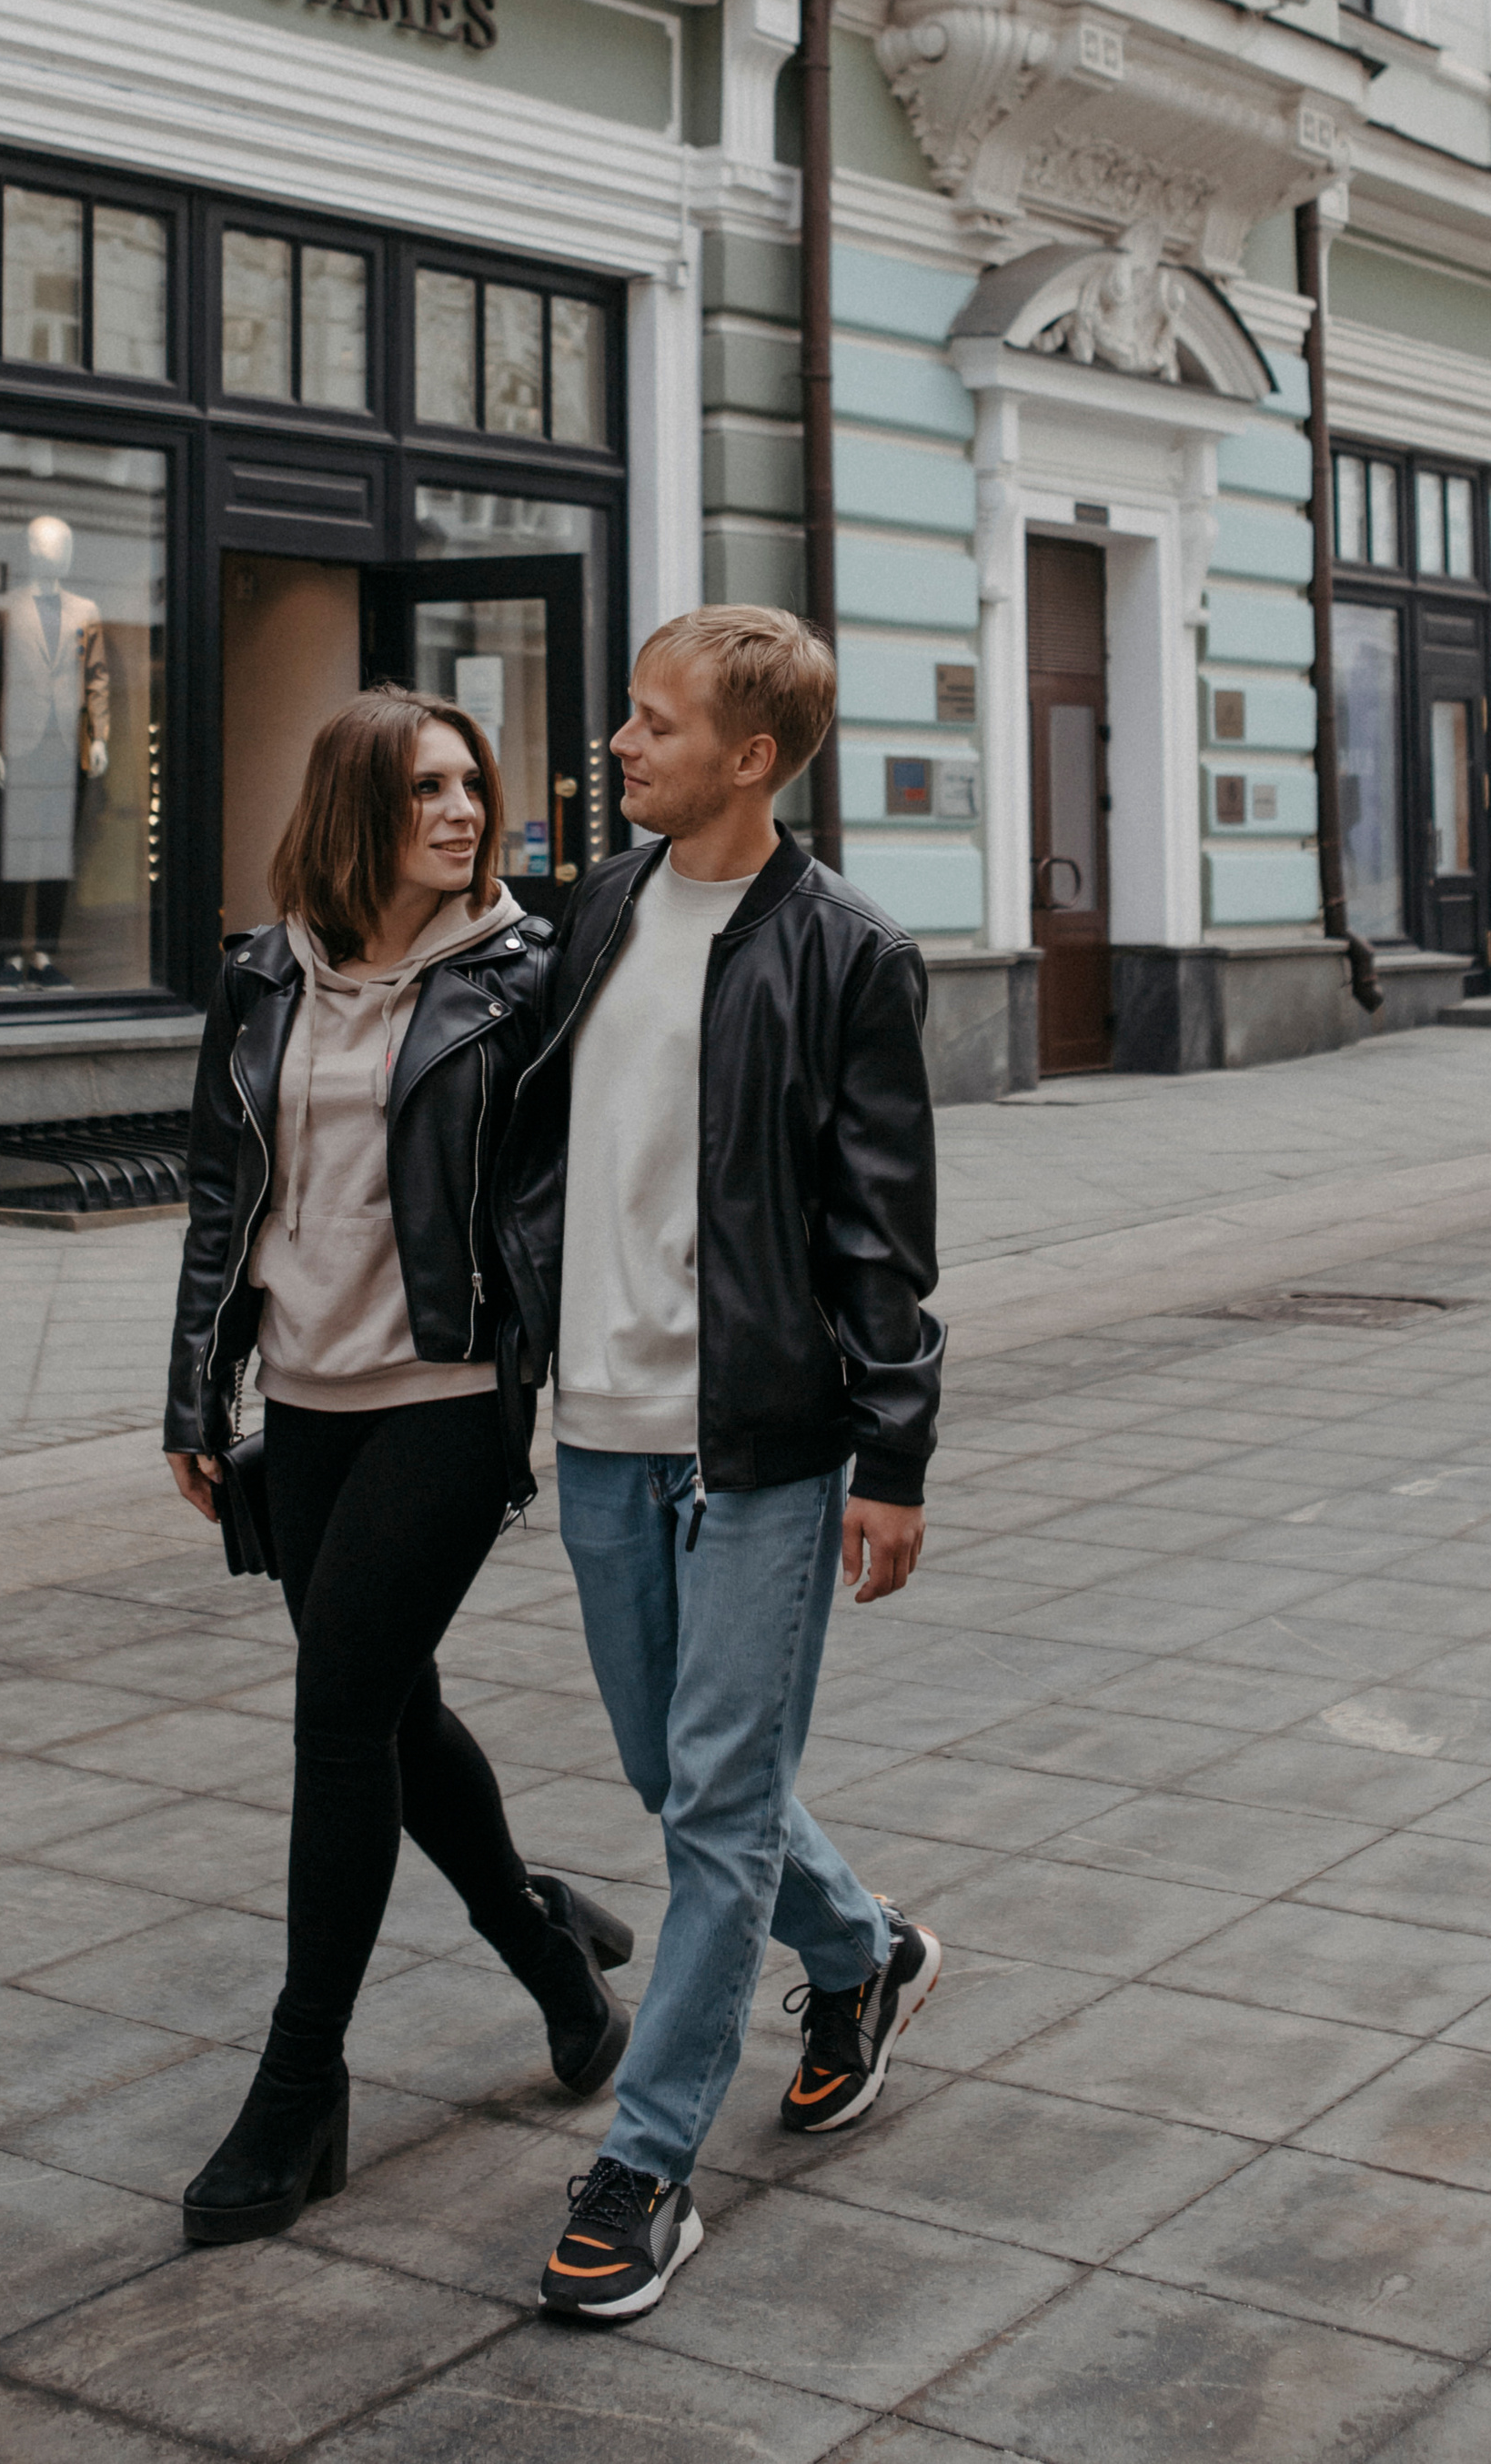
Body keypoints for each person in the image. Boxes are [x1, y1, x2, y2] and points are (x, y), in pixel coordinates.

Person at [493, 605, 946, 2322]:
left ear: (750, 758)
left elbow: (880, 1234)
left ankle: (648, 2164)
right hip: (602, 1427)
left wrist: (892, 1453)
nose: (619, 746)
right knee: (677, 1776)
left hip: (760, 1444)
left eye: (652, 724)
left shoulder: (850, 954)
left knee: (717, 1809)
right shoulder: (598, 910)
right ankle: (864, 1954)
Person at [161, 685, 634, 2245]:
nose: (462, 811)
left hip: (447, 1393)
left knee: (340, 1709)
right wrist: (193, 1396)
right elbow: (226, 1203)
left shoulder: (524, 976)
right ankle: (544, 1946)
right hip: (303, 1400)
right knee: (395, 1709)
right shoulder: (261, 973)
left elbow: (580, 1183)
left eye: (470, 786)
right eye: (428, 788)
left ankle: (300, 2087)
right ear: (360, 807)